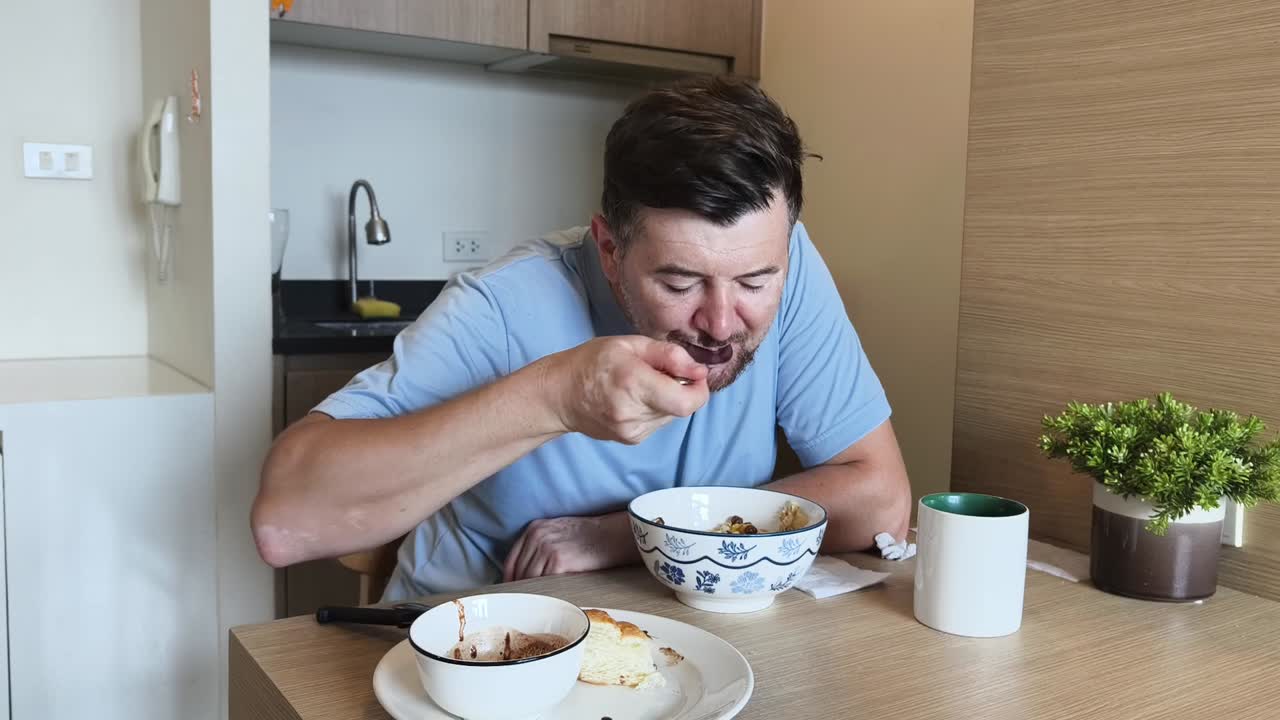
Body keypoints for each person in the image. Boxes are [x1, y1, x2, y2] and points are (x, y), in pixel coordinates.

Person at [252, 75, 914, 602]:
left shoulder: (788, 266)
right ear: (607, 248)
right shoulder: (504, 304)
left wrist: (631, 535)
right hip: (468, 645)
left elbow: (879, 504)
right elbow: (285, 522)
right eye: (680, 282)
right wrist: (556, 397)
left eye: (754, 280)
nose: (720, 321)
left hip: (673, 649)